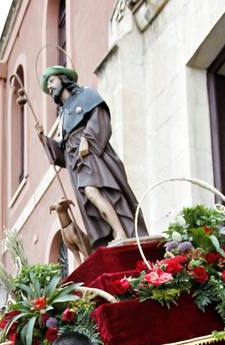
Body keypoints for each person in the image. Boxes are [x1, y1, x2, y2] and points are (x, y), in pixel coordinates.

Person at [38, 65, 147, 248]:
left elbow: (100, 117)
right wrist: (45, 140)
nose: (49, 87)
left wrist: (87, 139)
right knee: (90, 198)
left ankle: (120, 231)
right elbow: (62, 153)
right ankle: (114, 233)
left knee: (94, 191)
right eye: (47, 86)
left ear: (63, 78)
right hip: (75, 161)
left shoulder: (86, 95)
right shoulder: (63, 115)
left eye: (51, 81)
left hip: (90, 153)